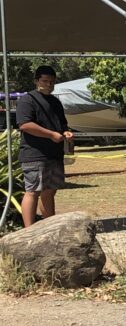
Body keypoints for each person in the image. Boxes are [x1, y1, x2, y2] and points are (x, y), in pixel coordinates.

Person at [16, 65, 74, 227]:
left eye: (52, 82)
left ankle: (49, 227)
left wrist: (66, 133)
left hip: (54, 155)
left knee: (50, 191)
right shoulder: (28, 100)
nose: (48, 84)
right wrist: (51, 134)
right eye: (45, 81)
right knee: (33, 191)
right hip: (34, 154)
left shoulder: (55, 102)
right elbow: (25, 125)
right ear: (36, 81)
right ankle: (29, 231)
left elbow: (62, 125)